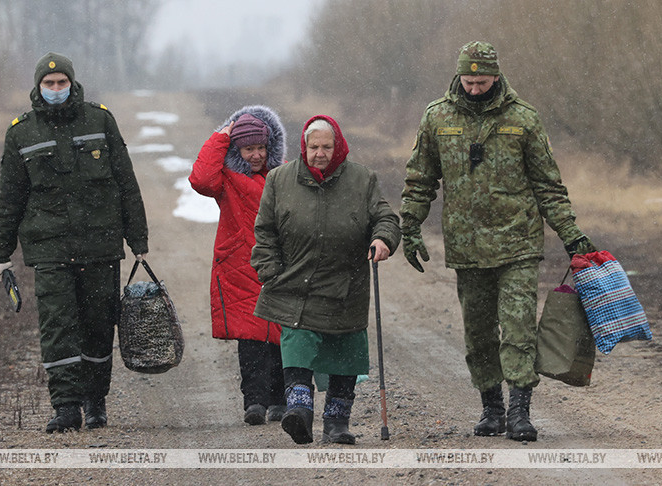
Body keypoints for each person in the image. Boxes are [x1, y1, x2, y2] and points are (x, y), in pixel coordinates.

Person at [400, 41, 597, 442]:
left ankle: (520, 411)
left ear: (496, 76)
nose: (474, 88)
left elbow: (548, 186)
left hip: (518, 243)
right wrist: (410, 227)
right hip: (467, 246)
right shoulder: (437, 117)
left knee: (519, 327)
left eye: (482, 81)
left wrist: (570, 233)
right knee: (479, 333)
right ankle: (491, 408)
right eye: (468, 81)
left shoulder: (523, 119)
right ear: (459, 76)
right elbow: (420, 179)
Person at [0, 52, 149, 433]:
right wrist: (1, 253)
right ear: (38, 87)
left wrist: (138, 237)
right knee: (58, 327)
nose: (56, 90)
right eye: (49, 84)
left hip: (100, 246)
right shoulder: (21, 133)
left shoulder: (100, 120)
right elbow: (10, 198)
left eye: (62, 83)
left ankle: (95, 401)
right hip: (50, 250)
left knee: (98, 327)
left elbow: (126, 182)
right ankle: (65, 407)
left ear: (72, 84)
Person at [252, 115, 401, 444]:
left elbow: (385, 217)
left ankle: (337, 423)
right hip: (295, 281)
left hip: (346, 282)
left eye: (327, 146)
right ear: (304, 147)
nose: (320, 153)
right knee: (297, 342)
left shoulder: (362, 180)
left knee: (346, 349)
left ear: (339, 147)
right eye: (314, 146)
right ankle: (300, 411)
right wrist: (269, 268)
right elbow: (265, 231)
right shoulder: (279, 179)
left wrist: (383, 239)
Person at [188, 106, 287, 425]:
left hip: (278, 264)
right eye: (248, 149)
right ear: (237, 150)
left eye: (260, 147)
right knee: (251, 338)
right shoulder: (226, 179)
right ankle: (254, 402)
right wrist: (222, 134)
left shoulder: (283, 174)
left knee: (281, 336)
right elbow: (200, 178)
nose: (255, 155)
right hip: (239, 264)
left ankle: (280, 399)